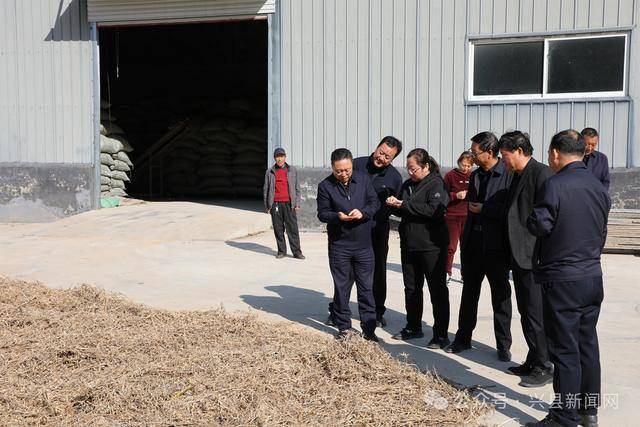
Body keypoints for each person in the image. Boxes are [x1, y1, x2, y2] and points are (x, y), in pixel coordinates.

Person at [525, 130, 610, 427]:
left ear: (555, 153)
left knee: (564, 349)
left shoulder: (555, 184)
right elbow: (601, 232)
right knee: (587, 343)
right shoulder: (598, 186)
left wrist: (531, 216)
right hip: (591, 275)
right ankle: (589, 410)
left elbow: (541, 225)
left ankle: (564, 415)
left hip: (563, 278)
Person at [446, 132, 513, 362]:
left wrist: (484, 209)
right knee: (469, 293)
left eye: (476, 152)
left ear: (490, 152)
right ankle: (463, 338)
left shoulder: (508, 176)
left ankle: (503, 344)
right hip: (474, 243)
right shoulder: (475, 176)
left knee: (501, 297)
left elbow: (510, 212)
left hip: (497, 246)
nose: (472, 155)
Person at [498, 131, 554, 387]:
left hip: (533, 257)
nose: (503, 161)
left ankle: (544, 365)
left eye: (505, 155)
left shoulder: (542, 174)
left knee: (535, 313)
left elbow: (549, 220)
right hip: (519, 256)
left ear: (519, 151)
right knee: (526, 312)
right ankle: (533, 358)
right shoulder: (518, 174)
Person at [386, 148, 451, 349]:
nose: (410, 172)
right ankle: (413, 326)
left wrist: (404, 205)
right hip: (409, 244)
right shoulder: (407, 185)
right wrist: (392, 204)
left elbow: (433, 211)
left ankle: (440, 334)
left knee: (437, 290)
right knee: (412, 289)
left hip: (432, 246)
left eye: (413, 169)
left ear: (425, 167)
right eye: (408, 168)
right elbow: (402, 207)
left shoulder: (436, 184)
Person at [317, 148, 380, 341]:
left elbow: (374, 202)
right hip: (339, 246)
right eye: (339, 171)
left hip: (363, 245)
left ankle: (369, 330)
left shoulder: (363, 179)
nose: (343, 174)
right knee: (342, 288)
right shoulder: (325, 186)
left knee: (366, 289)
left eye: (347, 170)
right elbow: (322, 213)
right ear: (332, 168)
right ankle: (344, 328)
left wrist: (364, 212)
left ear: (352, 165)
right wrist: (338, 216)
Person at [353, 136, 403, 327]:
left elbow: (397, 207)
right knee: (346, 272)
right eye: (381, 152)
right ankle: (338, 310)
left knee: (377, 272)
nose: (381, 158)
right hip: (352, 229)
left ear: (392, 159)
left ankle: (377, 312)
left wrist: (396, 205)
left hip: (377, 231)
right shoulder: (356, 165)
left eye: (387, 157)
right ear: (376, 147)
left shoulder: (394, 177)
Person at [263, 147, 304, 259]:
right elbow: (266, 189)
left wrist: (297, 203)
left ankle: (297, 252)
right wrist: (267, 205)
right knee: (278, 229)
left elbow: (297, 187)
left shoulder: (292, 170)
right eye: (277, 156)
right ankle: (281, 251)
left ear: (285, 157)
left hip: (289, 204)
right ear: (274, 158)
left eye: (281, 156)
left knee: (293, 229)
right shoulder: (270, 172)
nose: (279, 159)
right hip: (275, 204)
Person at [443, 151, 474, 283]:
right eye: (463, 165)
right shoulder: (450, 175)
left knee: (466, 247)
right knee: (451, 247)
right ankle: (447, 272)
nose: (465, 168)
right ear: (459, 162)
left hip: (468, 216)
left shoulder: (474, 176)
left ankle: (465, 273)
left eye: (468, 166)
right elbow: (443, 195)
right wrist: (456, 195)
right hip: (452, 216)